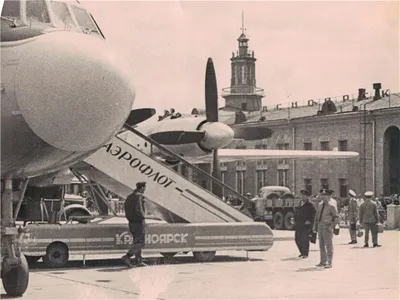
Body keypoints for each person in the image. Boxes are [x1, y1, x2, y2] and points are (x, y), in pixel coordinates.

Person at [121, 182, 147, 268]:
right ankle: (127, 256)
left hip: (131, 222)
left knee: (136, 241)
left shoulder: (130, 196)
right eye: (144, 187)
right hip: (138, 222)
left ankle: (138, 260)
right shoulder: (138, 196)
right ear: (142, 187)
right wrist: (143, 218)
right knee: (141, 242)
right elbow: (139, 209)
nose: (145, 189)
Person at [313, 189, 339, 268]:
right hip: (320, 226)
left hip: (327, 227)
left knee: (328, 245)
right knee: (321, 245)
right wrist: (315, 226)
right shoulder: (320, 205)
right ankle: (322, 261)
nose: (323, 197)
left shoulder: (332, 206)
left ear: (328, 196)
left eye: (325, 195)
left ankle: (329, 262)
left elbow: (336, 217)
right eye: (322, 195)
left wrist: (332, 226)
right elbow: (317, 216)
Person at [293, 189, 316, 258]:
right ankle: (302, 252)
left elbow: (313, 214)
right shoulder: (300, 204)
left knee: (304, 239)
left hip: (305, 225)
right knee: (297, 239)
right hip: (298, 224)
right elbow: (297, 213)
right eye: (302, 195)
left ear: (307, 197)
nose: (303, 197)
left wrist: (309, 221)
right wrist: (294, 219)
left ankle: (305, 253)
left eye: (304, 196)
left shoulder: (310, 205)